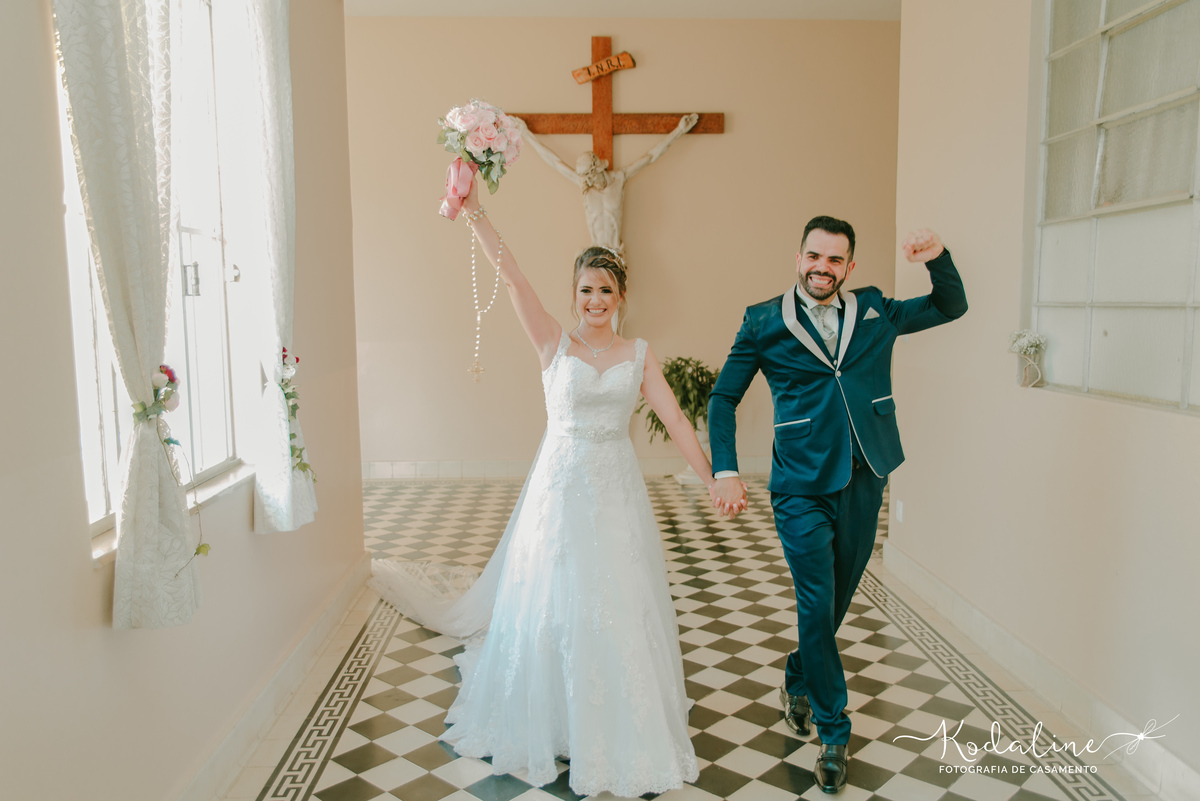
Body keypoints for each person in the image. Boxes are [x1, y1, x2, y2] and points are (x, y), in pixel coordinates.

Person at [370, 174, 745, 798]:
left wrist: (710, 479)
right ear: (573, 297)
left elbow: (675, 417)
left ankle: (620, 716)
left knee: (619, 596)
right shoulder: (553, 342)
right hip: (562, 488)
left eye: (605, 289)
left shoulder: (639, 353)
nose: (594, 299)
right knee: (554, 593)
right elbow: (513, 276)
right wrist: (476, 214)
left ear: (621, 294)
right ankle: (551, 714)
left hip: (617, 488)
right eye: (584, 290)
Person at [706, 217, 967, 793]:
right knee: (816, 598)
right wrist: (725, 469)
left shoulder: (877, 310)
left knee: (835, 600)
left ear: (850, 267)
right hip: (800, 482)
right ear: (798, 257)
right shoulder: (763, 320)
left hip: (865, 475)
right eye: (813, 256)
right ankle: (832, 731)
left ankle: (799, 676)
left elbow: (951, 305)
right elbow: (723, 398)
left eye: (835, 260)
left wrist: (937, 256)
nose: (822, 267)